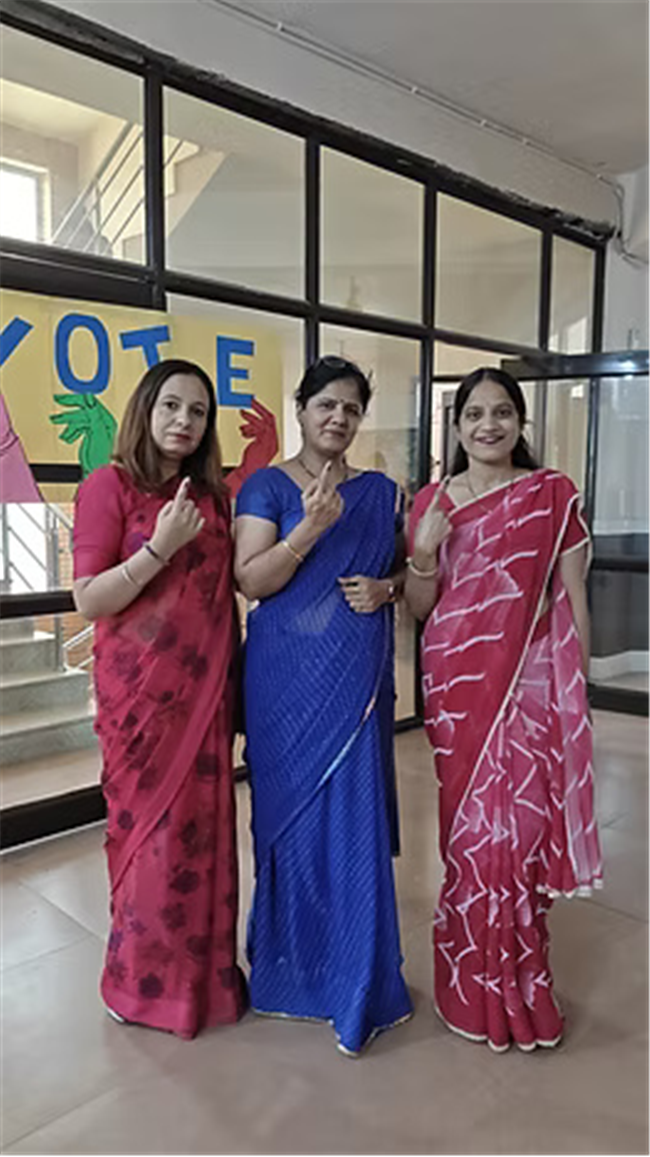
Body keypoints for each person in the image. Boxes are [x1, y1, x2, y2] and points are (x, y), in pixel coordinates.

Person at [404, 367, 602, 1053]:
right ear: (456, 427)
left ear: (520, 421)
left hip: (531, 687)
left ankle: (521, 984)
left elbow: (572, 599)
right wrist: (423, 551)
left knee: (518, 839)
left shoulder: (552, 495)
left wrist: (575, 697)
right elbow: (420, 607)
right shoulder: (432, 502)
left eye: (502, 412)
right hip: (458, 691)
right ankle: (469, 986)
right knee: (469, 842)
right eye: (474, 414)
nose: (488, 425)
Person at [234, 355, 413, 1056]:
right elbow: (252, 580)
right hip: (283, 684)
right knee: (290, 828)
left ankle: (356, 979)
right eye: (326, 405)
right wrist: (307, 530)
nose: (338, 417)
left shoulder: (381, 492)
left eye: (351, 408)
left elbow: (405, 572)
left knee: (351, 830)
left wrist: (388, 590)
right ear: (302, 408)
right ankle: (292, 973)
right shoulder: (267, 485)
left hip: (355, 688)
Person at [72, 358, 252, 1039]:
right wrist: (159, 548)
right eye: (171, 405)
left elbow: (224, 599)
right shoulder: (108, 485)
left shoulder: (214, 497)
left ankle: (205, 985)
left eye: (198, 411)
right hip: (139, 704)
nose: (184, 420)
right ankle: (140, 985)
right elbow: (89, 598)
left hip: (205, 698)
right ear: (145, 410)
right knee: (147, 841)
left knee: (204, 837)